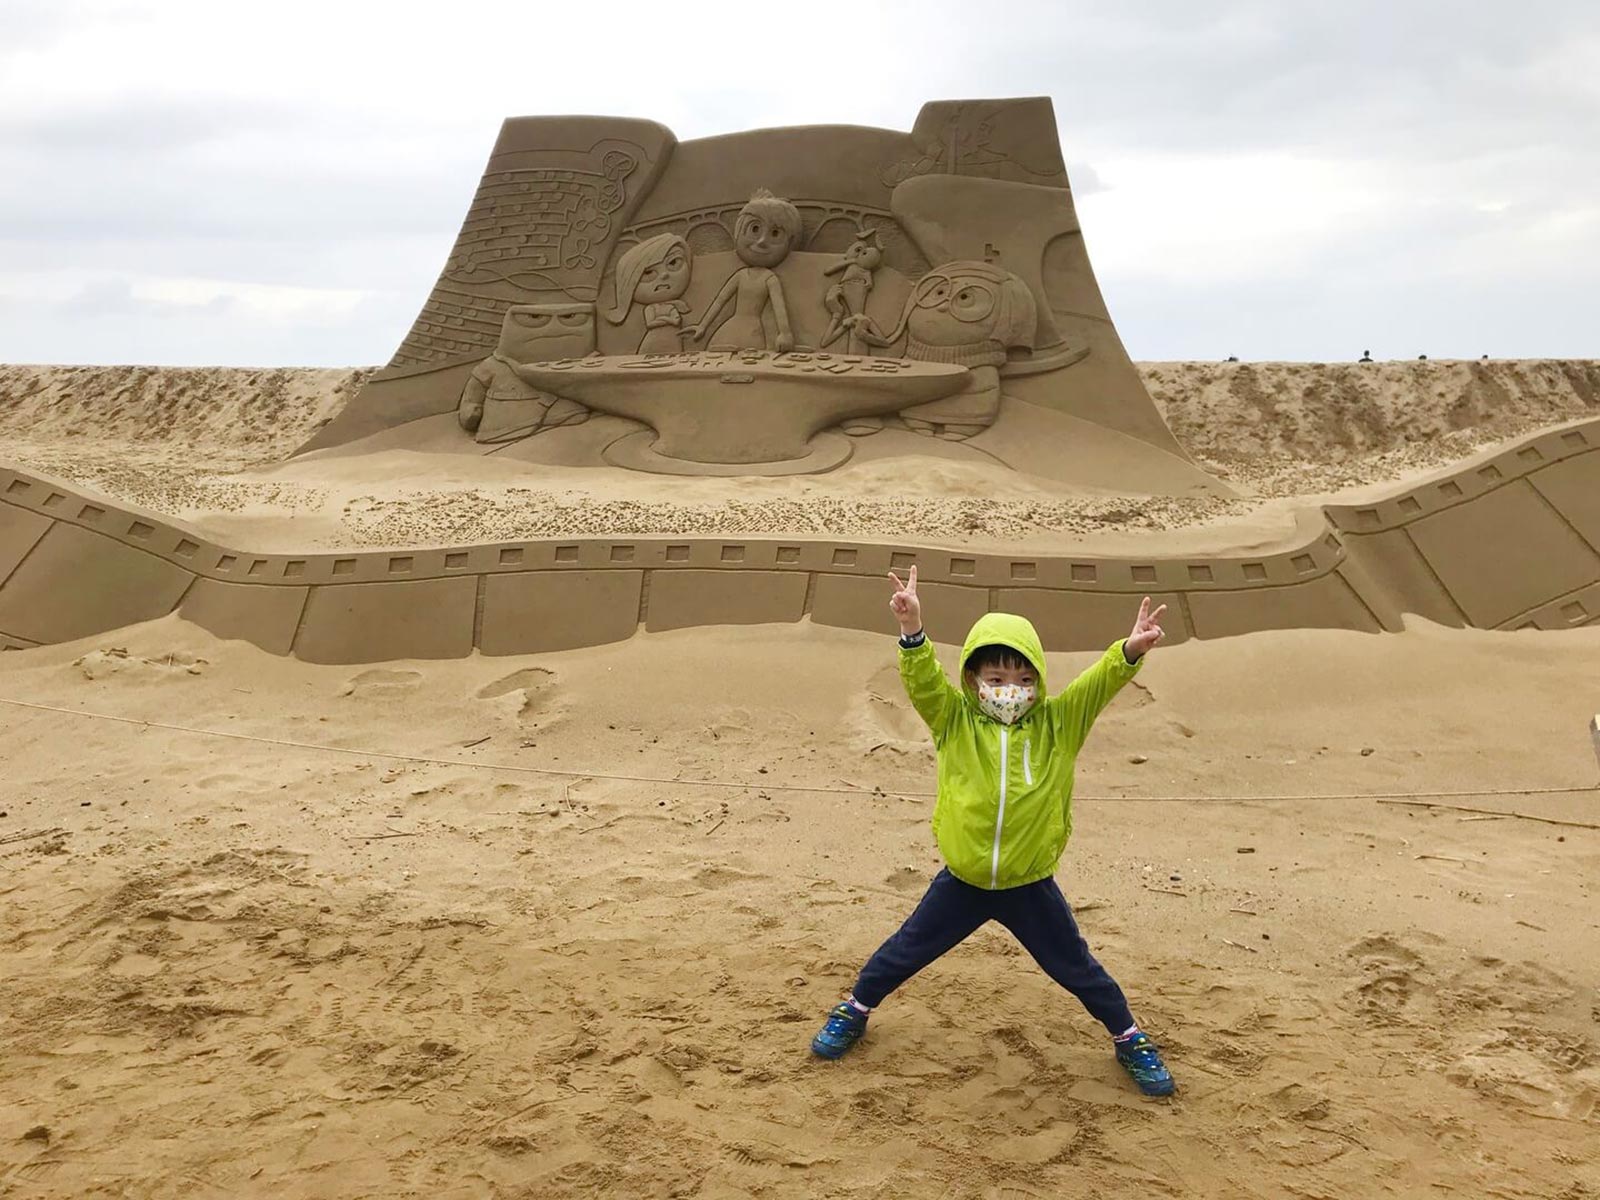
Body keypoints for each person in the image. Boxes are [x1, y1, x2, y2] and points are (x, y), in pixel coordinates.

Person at [810, 566, 1176, 1097]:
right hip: (964, 879)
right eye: (998, 681)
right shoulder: (954, 721)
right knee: (904, 952)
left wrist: (1129, 651)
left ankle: (1130, 1039)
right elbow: (924, 683)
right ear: (975, 683)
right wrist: (913, 632)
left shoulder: (1058, 723)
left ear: (1039, 682)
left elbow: (1095, 687)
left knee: (1077, 968)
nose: (1012, 691)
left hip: (1029, 885)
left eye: (1025, 681)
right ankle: (854, 1009)